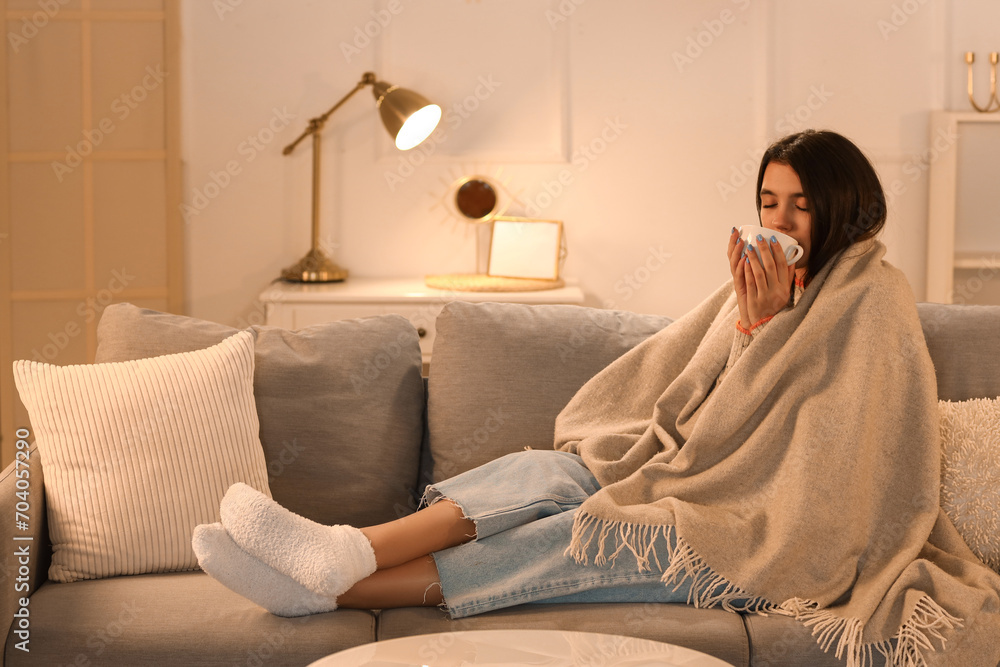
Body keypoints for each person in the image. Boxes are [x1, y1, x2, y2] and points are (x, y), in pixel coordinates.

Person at [193, 130, 1000, 666]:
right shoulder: (755, 287)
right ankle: (349, 548)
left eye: (801, 204)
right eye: (768, 202)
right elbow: (685, 419)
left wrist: (761, 332)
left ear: (842, 205)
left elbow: (828, 457)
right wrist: (748, 323)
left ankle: (323, 586)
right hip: (689, 475)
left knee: (586, 535)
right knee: (547, 474)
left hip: (767, 529)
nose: (782, 220)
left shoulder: (874, 298)